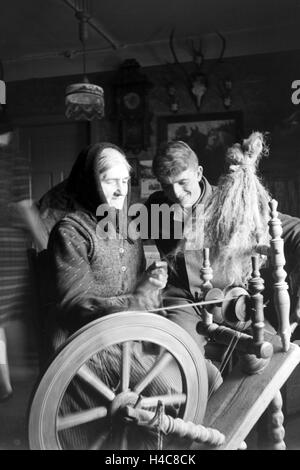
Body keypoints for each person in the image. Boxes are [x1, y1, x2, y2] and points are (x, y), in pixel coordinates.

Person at [41, 142, 185, 450]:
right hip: (86, 342)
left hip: (127, 334)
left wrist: (150, 282)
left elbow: (136, 285)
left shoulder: (130, 228)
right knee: (174, 394)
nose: (120, 191)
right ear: (91, 184)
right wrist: (134, 301)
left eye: (124, 181)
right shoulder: (71, 231)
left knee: (207, 374)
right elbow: (74, 304)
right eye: (110, 181)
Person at [146, 137, 300, 349]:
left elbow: (297, 231)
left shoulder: (232, 202)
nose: (176, 194)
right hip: (183, 303)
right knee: (178, 355)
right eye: (167, 186)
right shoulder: (156, 204)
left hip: (230, 302)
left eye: (183, 183)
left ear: (198, 173)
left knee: (272, 353)